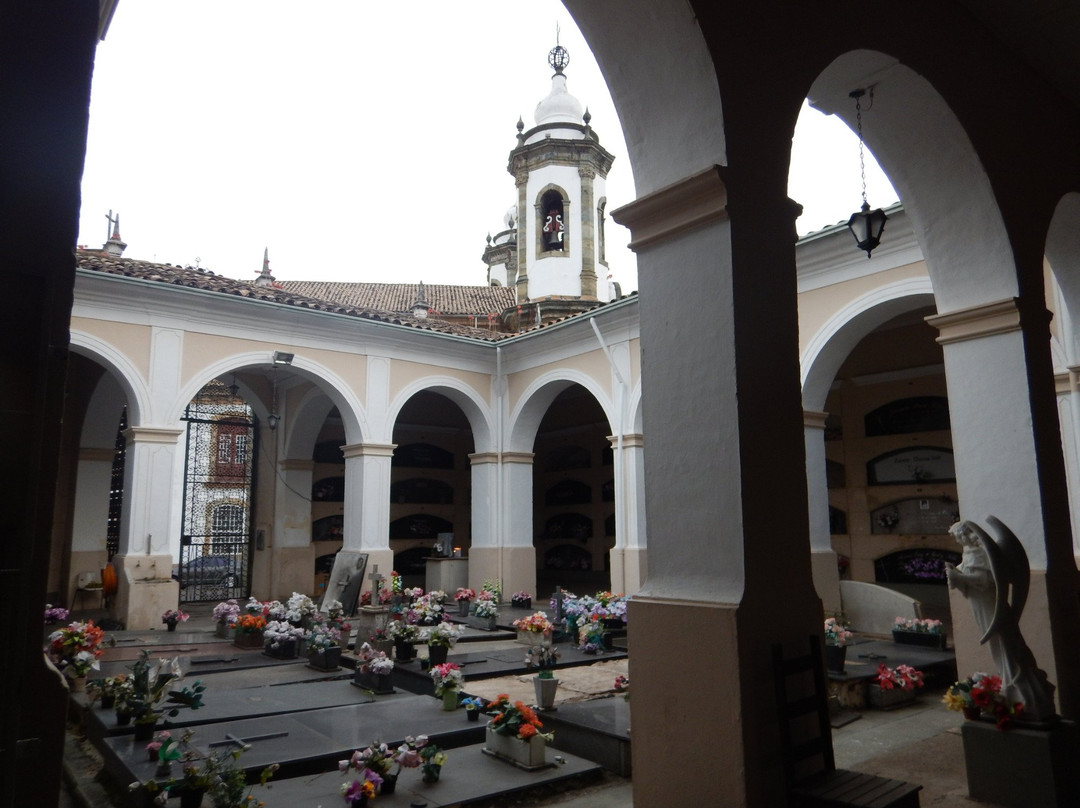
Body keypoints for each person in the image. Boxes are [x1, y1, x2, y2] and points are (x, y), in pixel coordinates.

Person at [947, 517, 1056, 723]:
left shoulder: (981, 553)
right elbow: (971, 580)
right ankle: (1008, 680)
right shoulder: (969, 553)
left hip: (990, 604)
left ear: (965, 534)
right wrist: (956, 578)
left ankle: (1018, 682)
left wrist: (959, 578)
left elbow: (986, 580)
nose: (958, 540)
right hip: (979, 604)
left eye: (958, 536)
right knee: (997, 644)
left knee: (1005, 641)